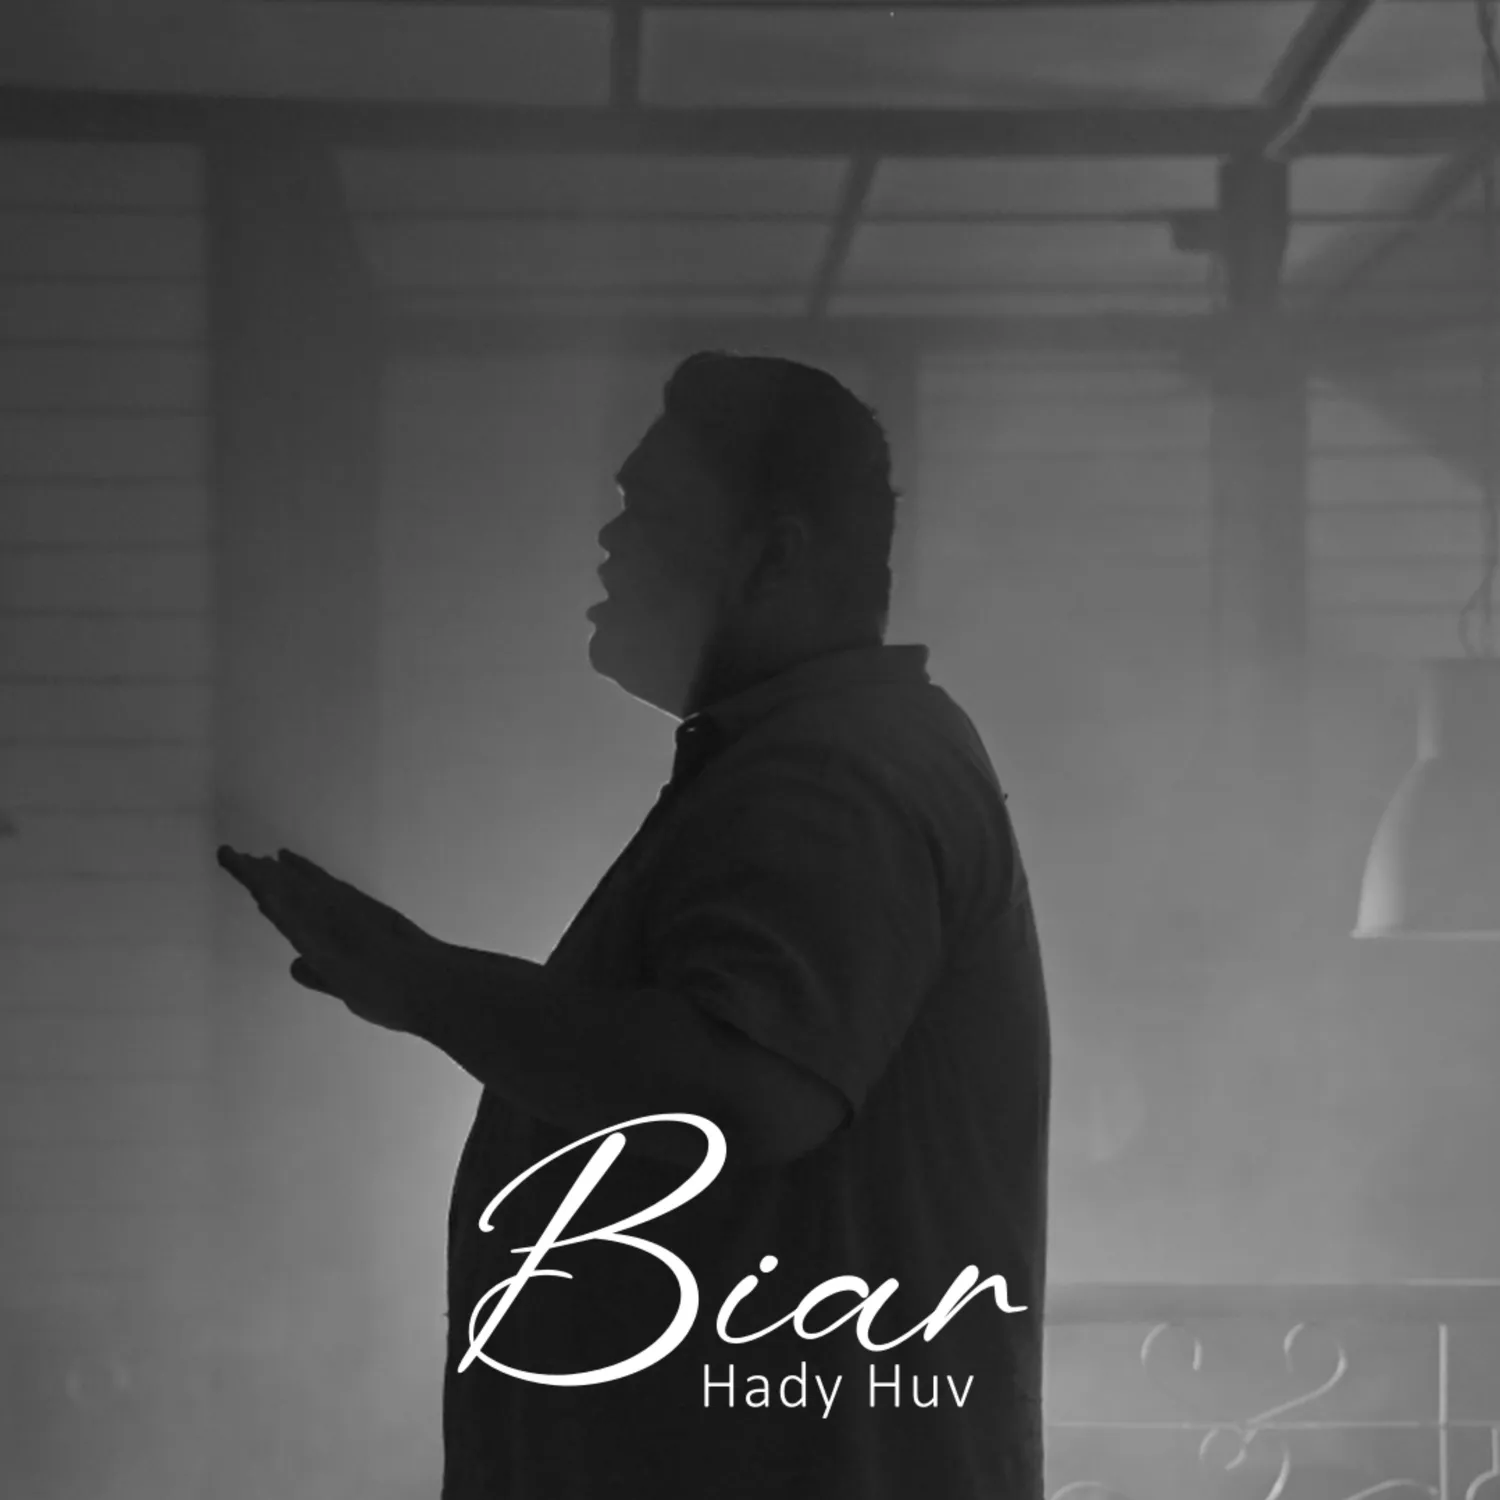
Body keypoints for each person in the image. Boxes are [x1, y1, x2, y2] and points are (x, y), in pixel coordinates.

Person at [219, 351, 1050, 1499]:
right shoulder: (835, 758)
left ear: (775, 552)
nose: (612, 541)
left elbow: (742, 1090)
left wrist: (423, 985)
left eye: (653, 513)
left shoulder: (833, 776)